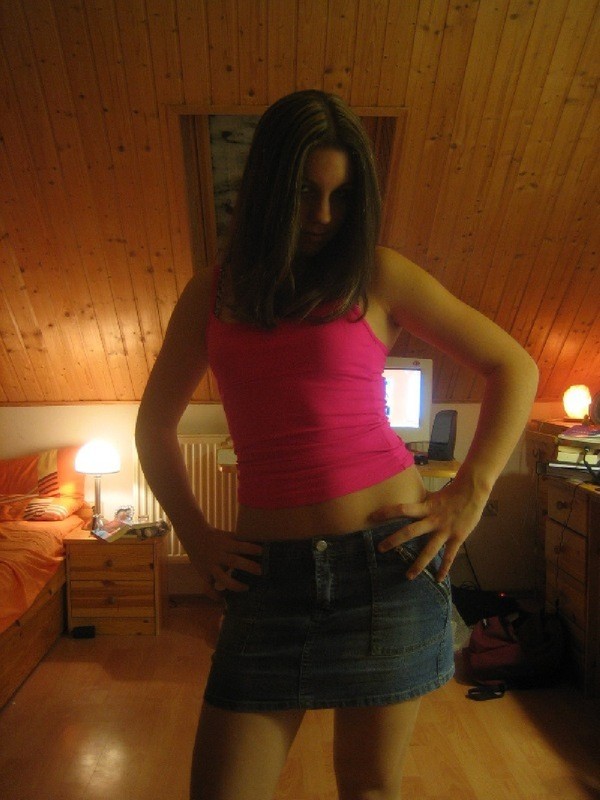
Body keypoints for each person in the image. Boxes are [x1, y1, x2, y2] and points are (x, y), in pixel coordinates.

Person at [135, 90, 538, 800]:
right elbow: (153, 425)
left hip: (386, 568)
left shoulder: (377, 274)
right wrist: (194, 535)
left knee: (369, 788)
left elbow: (514, 366)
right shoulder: (212, 293)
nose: (323, 215)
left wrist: (468, 494)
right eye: (303, 192)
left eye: (341, 196)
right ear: (267, 188)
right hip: (268, 582)